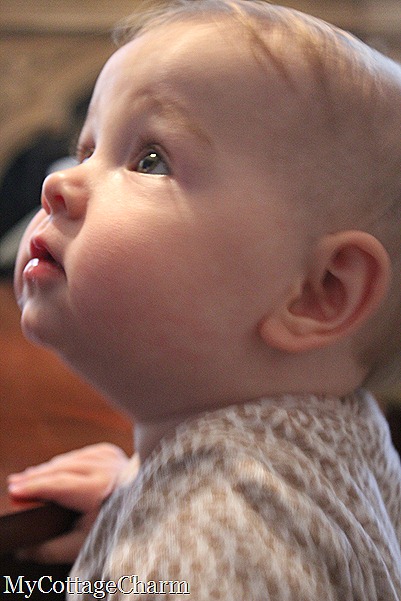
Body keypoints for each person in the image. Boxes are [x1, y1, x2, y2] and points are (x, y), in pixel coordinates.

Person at [8, 0, 401, 598]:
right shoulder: (333, 431)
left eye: (150, 160)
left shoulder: (217, 534)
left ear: (319, 293)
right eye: (86, 150)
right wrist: (135, 491)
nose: (57, 181)